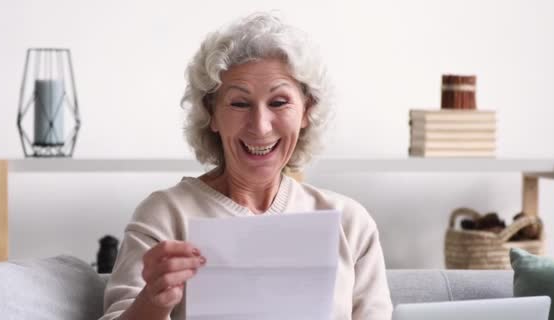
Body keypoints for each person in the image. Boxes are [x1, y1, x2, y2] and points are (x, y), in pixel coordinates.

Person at [100, 12, 393, 320]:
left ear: (307, 111)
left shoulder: (350, 223)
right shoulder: (165, 215)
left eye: (279, 103)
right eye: (239, 104)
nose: (260, 126)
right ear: (211, 114)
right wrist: (153, 302)